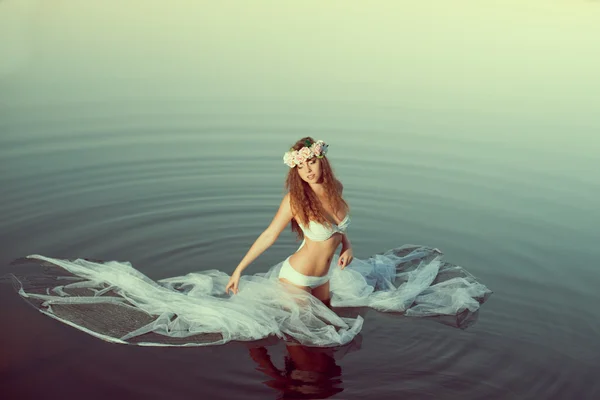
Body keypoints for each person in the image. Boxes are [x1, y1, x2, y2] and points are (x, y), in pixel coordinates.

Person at [225, 137, 351, 307]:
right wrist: (238, 270)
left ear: (322, 162)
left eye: (312, 162)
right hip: (298, 277)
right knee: (307, 330)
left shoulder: (336, 188)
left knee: (329, 322)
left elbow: (337, 228)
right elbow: (269, 234)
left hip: (323, 277)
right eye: (300, 166)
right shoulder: (295, 200)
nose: (307, 170)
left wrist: (347, 246)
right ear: (296, 171)